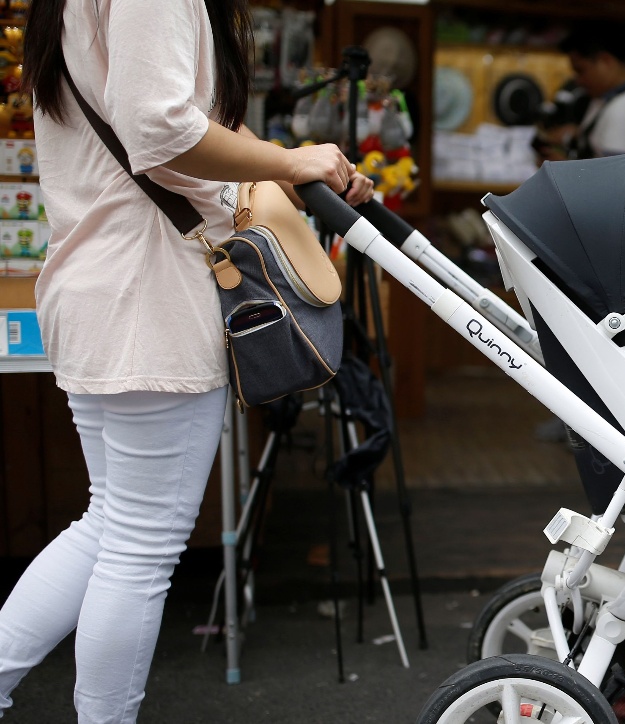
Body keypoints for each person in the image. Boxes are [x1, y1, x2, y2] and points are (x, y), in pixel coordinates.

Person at [0, 1, 373, 720]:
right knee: (139, 545)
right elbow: (160, 128)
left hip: (101, 281)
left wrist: (288, 164)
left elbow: (166, 116)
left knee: (109, 524)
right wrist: (291, 159)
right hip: (149, 290)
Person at [534, 22, 625, 161]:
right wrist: (571, 136)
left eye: (581, 70)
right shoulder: (606, 99)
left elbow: (612, 175)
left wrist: (563, 166)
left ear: (605, 61)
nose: (578, 81)